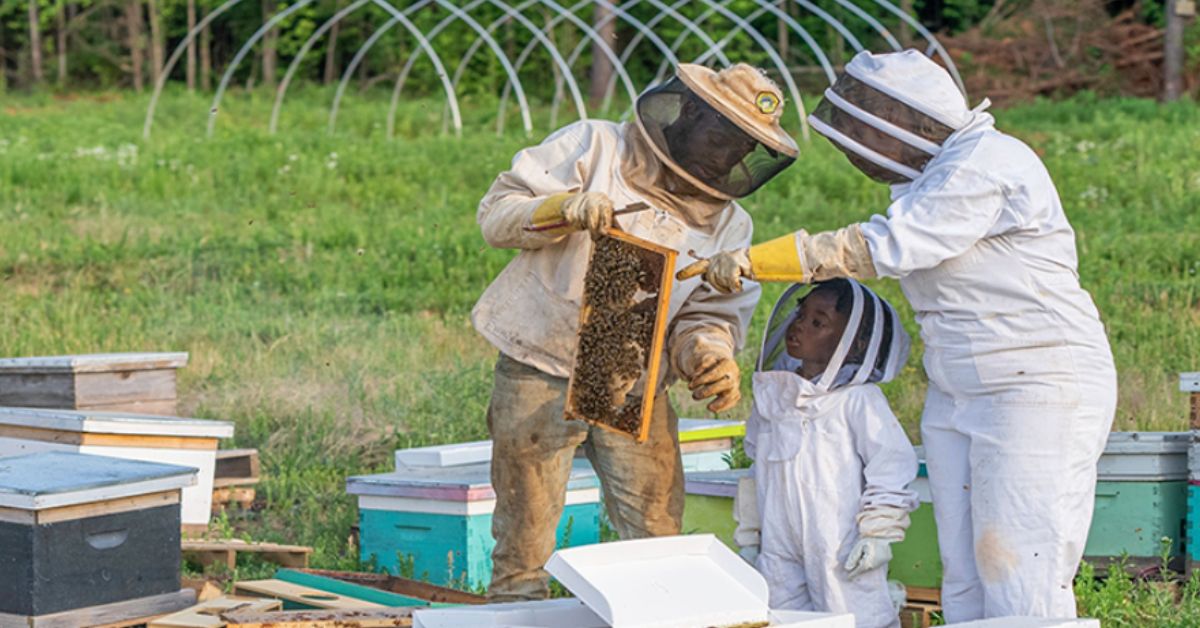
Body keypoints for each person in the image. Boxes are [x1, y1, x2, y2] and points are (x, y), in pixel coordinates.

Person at [679, 49, 1117, 621]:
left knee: (1018, 564)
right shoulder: (929, 179)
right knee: (963, 568)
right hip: (958, 385)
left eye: (862, 130)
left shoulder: (986, 164)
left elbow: (886, 246)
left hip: (1037, 384)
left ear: (907, 121)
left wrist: (760, 260)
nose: (855, 147)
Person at [473, 63, 798, 601]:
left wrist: (708, 354)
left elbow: (709, 315)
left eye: (744, 149)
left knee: (657, 531)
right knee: (524, 537)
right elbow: (496, 216)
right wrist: (561, 210)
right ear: (689, 112)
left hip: (635, 378)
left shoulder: (731, 225)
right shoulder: (595, 145)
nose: (730, 158)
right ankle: (515, 609)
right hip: (543, 360)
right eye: (724, 138)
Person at [739, 278, 918, 628]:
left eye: (818, 323)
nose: (799, 327)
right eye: (800, 315)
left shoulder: (858, 400)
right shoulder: (775, 396)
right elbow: (755, 467)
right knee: (779, 616)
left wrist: (879, 533)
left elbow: (891, 466)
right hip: (778, 541)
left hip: (838, 544)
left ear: (854, 345)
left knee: (855, 617)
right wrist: (749, 535)